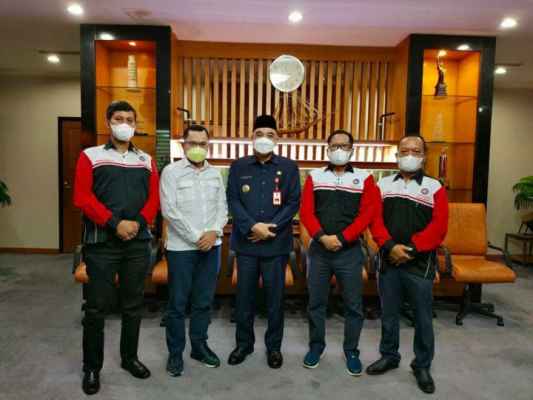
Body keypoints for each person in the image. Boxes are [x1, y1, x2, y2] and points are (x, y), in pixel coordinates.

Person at [73, 100, 159, 395]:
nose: (124, 123)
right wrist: (115, 223)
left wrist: (137, 223)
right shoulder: (91, 156)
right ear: (108, 122)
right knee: (96, 308)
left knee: (133, 305)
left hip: (137, 243)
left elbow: (154, 199)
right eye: (118, 118)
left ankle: (129, 358)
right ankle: (92, 368)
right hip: (101, 243)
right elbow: (82, 197)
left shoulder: (146, 160)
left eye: (130, 119)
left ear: (135, 124)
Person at [367, 135, 448, 394]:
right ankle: (389, 355)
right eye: (404, 151)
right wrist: (391, 247)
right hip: (389, 260)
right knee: (389, 313)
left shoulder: (435, 187)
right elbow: (375, 221)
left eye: (416, 150)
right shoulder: (383, 185)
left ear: (424, 156)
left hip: (419, 263)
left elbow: (439, 227)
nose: (410, 155)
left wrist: (410, 250)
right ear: (397, 156)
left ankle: (421, 365)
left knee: (422, 317)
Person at [299, 129, 376, 376]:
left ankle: (351, 351)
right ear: (328, 149)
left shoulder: (365, 178)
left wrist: (342, 238)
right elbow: (306, 212)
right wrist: (322, 237)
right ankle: (316, 346)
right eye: (334, 146)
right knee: (316, 303)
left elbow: (367, 214)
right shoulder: (315, 176)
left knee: (353, 305)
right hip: (319, 251)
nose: (339, 150)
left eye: (344, 146)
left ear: (352, 150)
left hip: (350, 251)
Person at [226, 115, 301, 369]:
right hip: (246, 244)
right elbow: (233, 200)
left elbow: (293, 202)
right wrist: (252, 226)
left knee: (275, 300)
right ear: (252, 137)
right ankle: (243, 344)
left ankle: (274, 347)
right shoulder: (238, 166)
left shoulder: (289, 167)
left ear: (277, 139)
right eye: (259, 134)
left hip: (275, 245)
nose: (264, 139)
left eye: (270, 135)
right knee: (244, 299)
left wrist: (271, 228)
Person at [160, 124, 228, 377]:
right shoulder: (171, 172)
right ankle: (175, 353)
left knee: (203, 302)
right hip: (181, 249)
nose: (198, 148)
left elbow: (222, 207)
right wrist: (197, 237)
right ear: (183, 144)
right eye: (193, 143)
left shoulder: (215, 174)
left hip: (212, 247)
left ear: (208, 146)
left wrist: (214, 232)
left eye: (203, 144)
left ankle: (199, 347)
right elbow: (169, 211)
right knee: (177, 304)